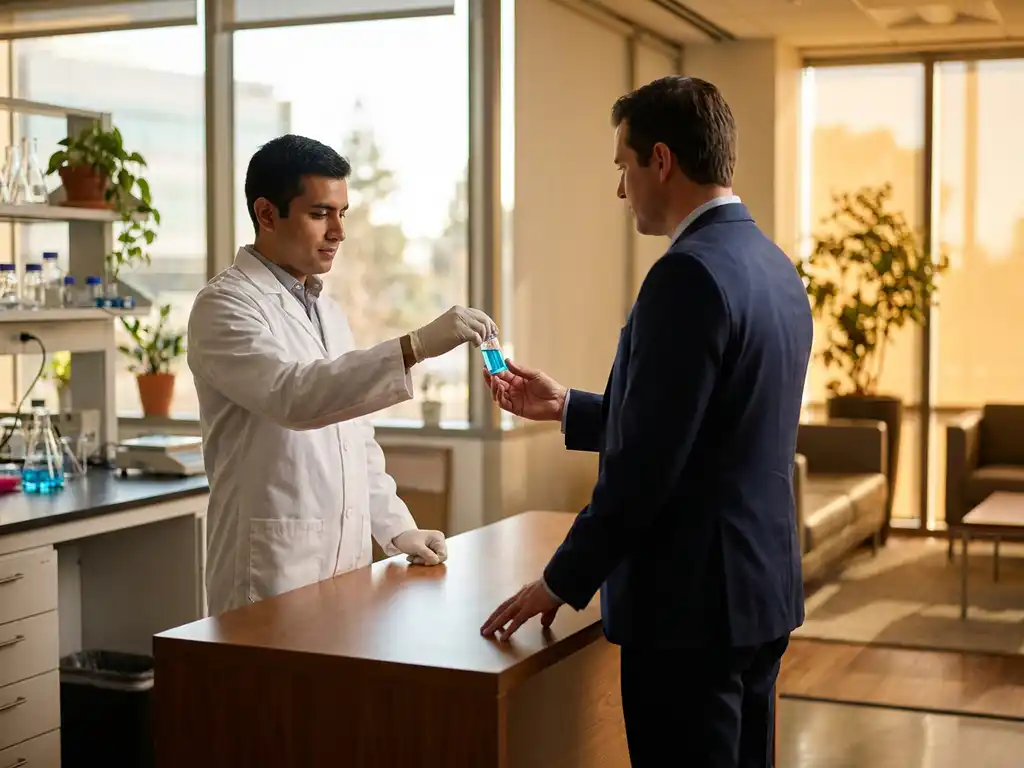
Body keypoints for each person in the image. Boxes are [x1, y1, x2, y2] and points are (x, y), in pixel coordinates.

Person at [480, 77, 813, 767]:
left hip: (690, 612)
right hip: (759, 593)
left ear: (660, 160)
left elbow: (645, 471)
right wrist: (568, 406)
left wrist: (560, 580)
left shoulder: (686, 275)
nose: (620, 189)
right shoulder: (774, 267)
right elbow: (707, 429)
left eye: (622, 166)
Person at [188, 134, 498, 615]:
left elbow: (355, 440)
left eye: (342, 213)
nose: (339, 232)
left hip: (344, 572)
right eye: (320, 214)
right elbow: (293, 396)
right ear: (267, 214)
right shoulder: (224, 306)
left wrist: (397, 528)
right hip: (269, 571)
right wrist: (414, 346)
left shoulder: (326, 310)